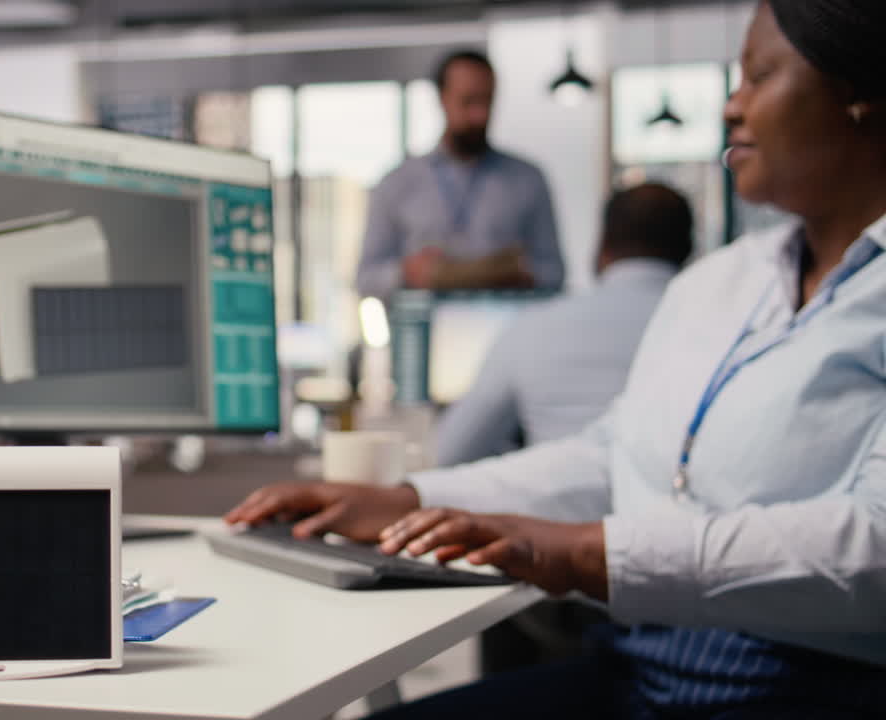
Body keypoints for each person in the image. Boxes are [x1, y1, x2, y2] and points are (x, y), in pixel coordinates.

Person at [226, 2, 886, 716]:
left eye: (758, 76)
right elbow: (613, 456)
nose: (732, 105)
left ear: (859, 93)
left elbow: (873, 543)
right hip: (642, 661)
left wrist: (580, 551)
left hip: (813, 684)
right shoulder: (720, 282)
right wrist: (409, 498)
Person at [434, 183, 692, 467]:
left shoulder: (532, 327)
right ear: (689, 251)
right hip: (670, 494)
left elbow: (450, 452)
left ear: (601, 247)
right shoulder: (706, 329)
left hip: (553, 492)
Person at [356, 49, 564, 300]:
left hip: (506, 321)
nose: (480, 115)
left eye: (487, 102)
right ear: (442, 99)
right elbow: (366, 279)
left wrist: (522, 273)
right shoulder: (396, 183)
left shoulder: (528, 179)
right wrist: (406, 272)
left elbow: (554, 273)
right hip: (425, 322)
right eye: (469, 101)